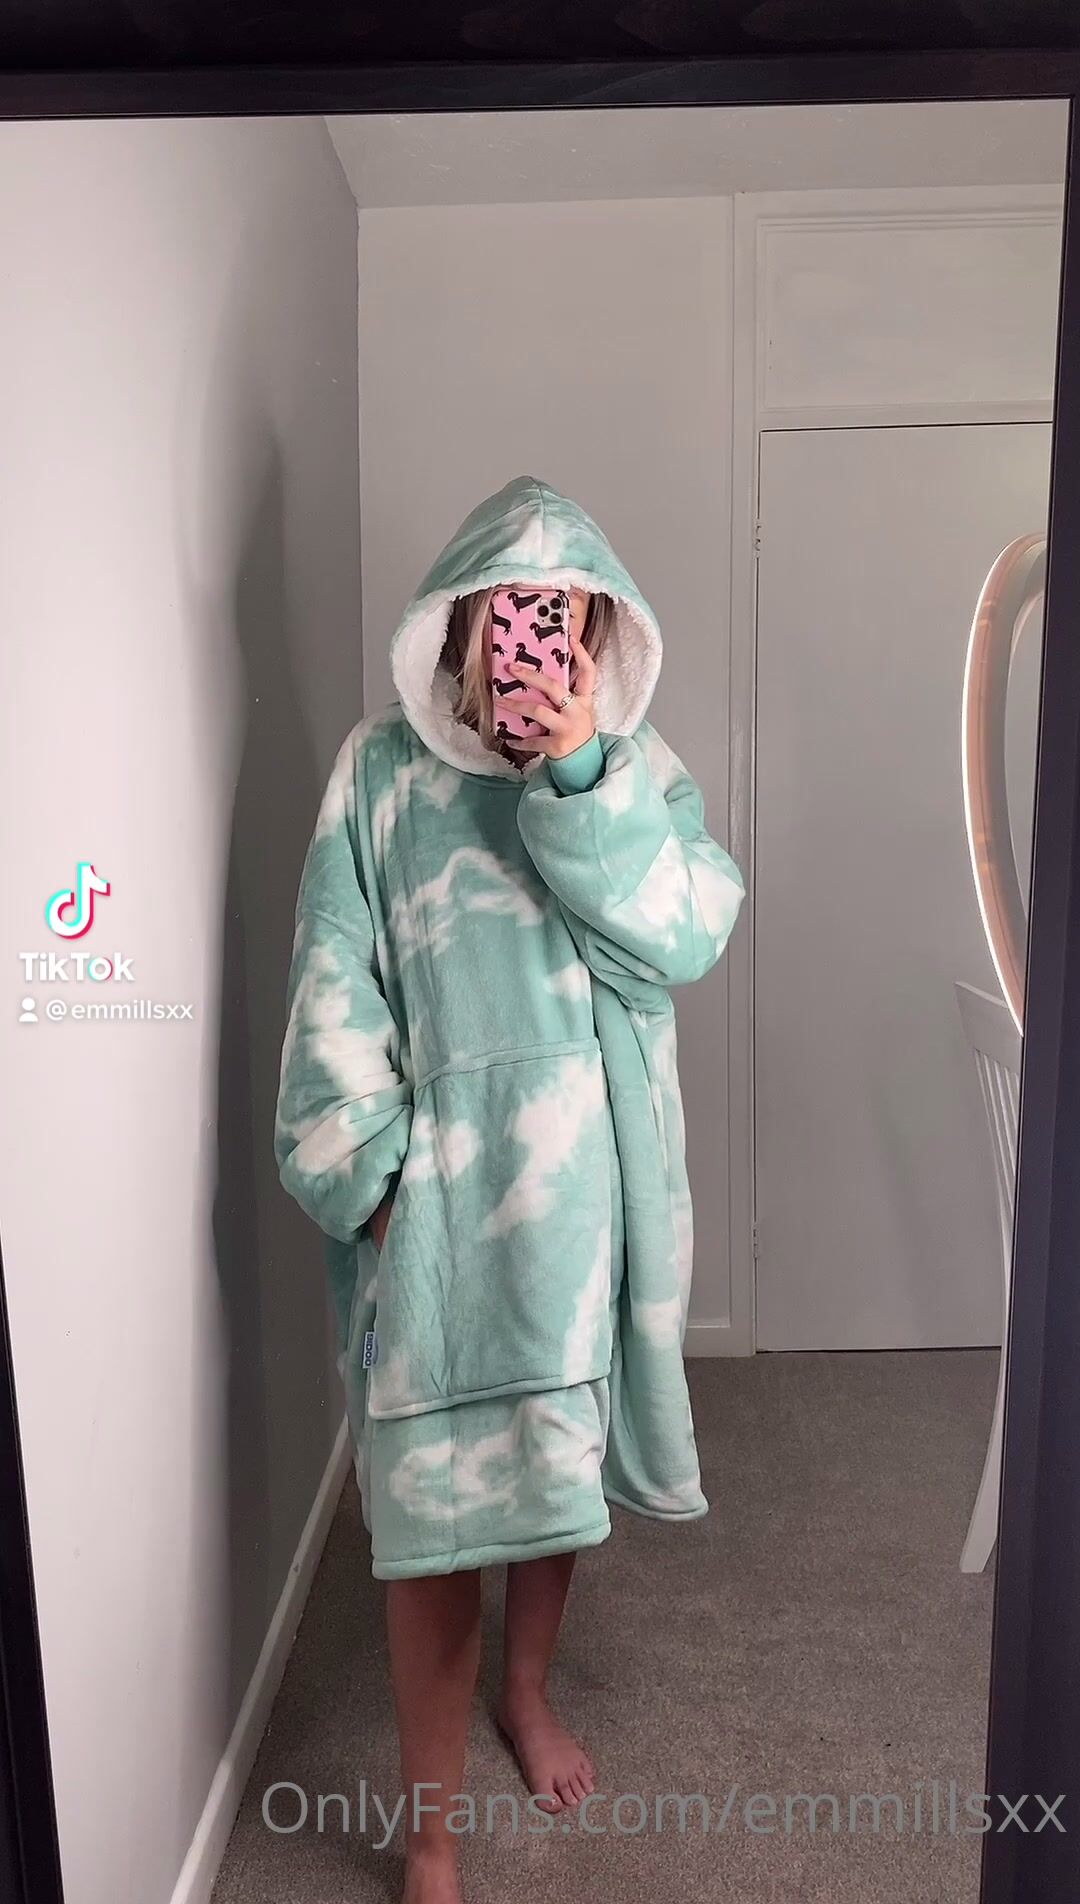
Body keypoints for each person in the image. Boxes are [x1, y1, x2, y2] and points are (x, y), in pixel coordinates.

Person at [273, 475, 745, 1904]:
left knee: (552, 1486)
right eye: (516, 615)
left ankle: (527, 1692)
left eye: (567, 619)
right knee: (429, 1532)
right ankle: (432, 1837)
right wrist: (375, 1181)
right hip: (433, 1213)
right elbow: (330, 976)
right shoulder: (377, 771)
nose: (540, 642)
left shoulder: (633, 767)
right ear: (468, 620)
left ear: (596, 632)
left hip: (576, 1207)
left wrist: (581, 772)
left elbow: (685, 938)